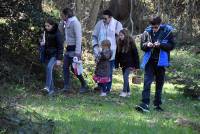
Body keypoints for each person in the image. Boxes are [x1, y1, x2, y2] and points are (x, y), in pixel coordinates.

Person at [135, 15, 175, 112]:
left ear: (160, 25)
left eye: (156, 27)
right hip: (150, 61)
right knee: (147, 82)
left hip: (161, 62)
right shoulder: (147, 32)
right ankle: (145, 103)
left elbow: (172, 46)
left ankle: (157, 105)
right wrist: (147, 45)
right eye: (152, 27)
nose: (154, 29)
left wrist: (160, 45)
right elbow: (142, 46)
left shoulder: (167, 32)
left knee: (159, 84)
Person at [92, 9, 123, 93]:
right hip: (100, 52)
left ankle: (107, 89)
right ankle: (100, 87)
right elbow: (94, 36)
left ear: (110, 18)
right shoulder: (99, 24)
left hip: (111, 54)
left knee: (108, 71)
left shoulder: (117, 24)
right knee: (100, 70)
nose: (104, 20)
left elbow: (121, 38)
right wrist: (95, 47)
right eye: (103, 18)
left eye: (105, 18)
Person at [61, 7, 88, 93]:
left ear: (67, 15)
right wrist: (62, 22)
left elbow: (79, 38)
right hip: (68, 48)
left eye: (62, 15)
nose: (61, 16)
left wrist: (77, 52)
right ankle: (66, 86)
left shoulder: (75, 23)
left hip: (75, 49)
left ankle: (84, 84)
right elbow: (60, 30)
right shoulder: (66, 22)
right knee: (65, 67)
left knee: (74, 69)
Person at [40, 18, 63, 95]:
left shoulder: (57, 33)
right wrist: (42, 44)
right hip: (47, 54)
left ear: (52, 26)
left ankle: (47, 87)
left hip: (55, 55)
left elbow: (60, 47)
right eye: (45, 26)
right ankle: (52, 91)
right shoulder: (45, 32)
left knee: (49, 67)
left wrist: (59, 59)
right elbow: (45, 43)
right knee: (48, 70)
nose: (46, 27)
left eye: (48, 26)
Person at [115, 29, 140, 97]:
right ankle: (128, 91)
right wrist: (116, 64)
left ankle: (124, 91)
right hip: (123, 64)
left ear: (125, 35)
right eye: (119, 35)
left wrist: (137, 66)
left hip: (130, 63)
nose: (120, 37)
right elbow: (117, 55)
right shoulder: (119, 43)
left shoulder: (131, 43)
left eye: (121, 35)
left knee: (125, 76)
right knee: (125, 77)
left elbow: (136, 54)